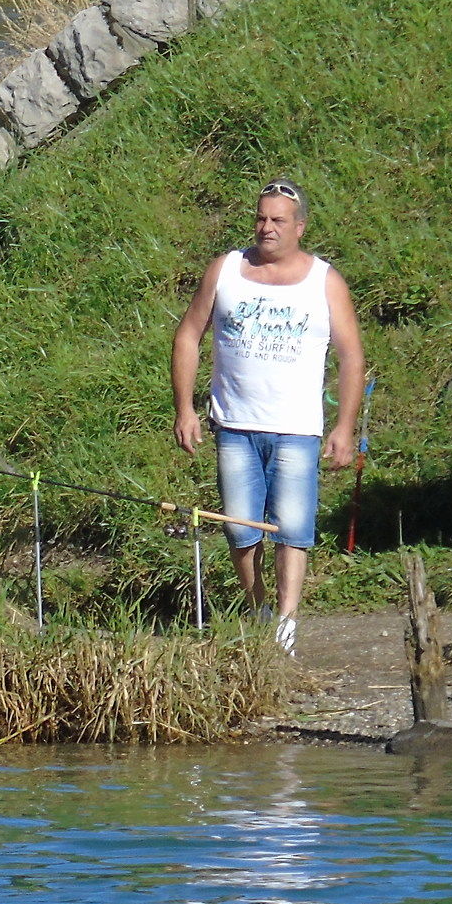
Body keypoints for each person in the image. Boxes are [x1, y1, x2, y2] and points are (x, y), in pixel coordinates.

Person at [171, 180, 364, 657]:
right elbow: (188, 336)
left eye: (278, 220)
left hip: (297, 428)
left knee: (293, 528)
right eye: (261, 218)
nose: (267, 228)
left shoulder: (325, 281)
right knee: (240, 529)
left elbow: (351, 356)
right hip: (234, 424)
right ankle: (258, 609)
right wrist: (185, 408)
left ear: (300, 227)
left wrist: (344, 427)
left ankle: (287, 622)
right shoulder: (225, 270)